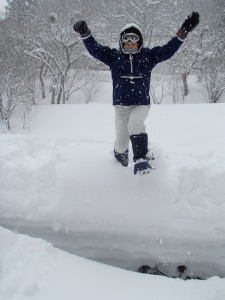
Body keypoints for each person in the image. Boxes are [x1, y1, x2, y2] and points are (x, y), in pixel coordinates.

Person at [73, 12, 199, 175]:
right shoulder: (114, 57)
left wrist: (183, 32)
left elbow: (168, 50)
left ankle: (141, 158)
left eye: (134, 39)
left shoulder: (148, 56)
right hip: (121, 108)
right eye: (126, 40)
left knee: (135, 124)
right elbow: (95, 50)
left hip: (141, 104)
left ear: (140, 41)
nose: (130, 43)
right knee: (122, 145)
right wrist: (85, 33)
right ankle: (119, 160)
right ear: (121, 42)